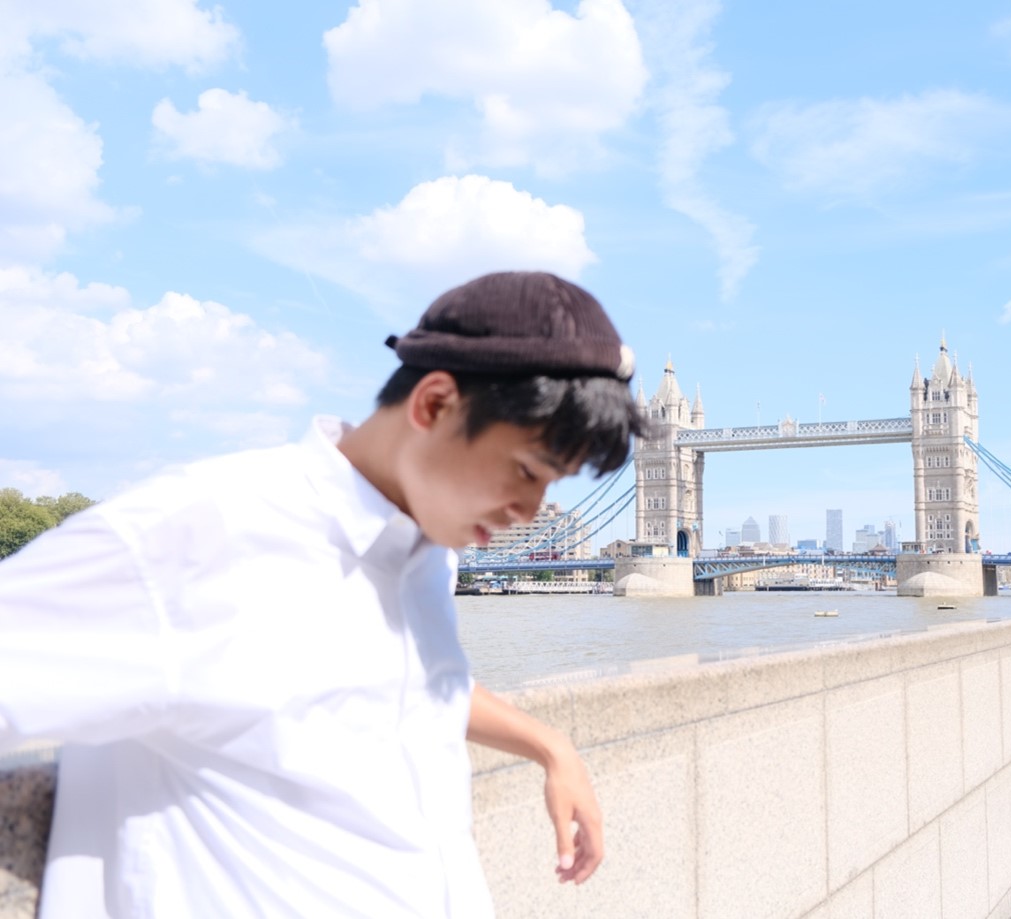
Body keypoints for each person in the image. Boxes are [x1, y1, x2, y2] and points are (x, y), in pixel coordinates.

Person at [0, 272, 645, 916]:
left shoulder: (427, 556)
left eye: (551, 485)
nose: (531, 511)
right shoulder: (201, 534)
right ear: (435, 405)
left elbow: (393, 686)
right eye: (527, 470)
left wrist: (548, 744)